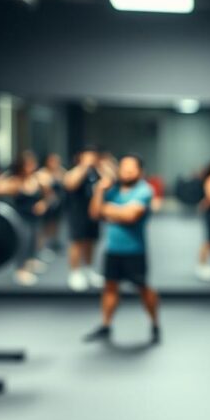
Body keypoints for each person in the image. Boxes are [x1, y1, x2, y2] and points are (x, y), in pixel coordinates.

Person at [83, 154, 161, 345]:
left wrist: (108, 210)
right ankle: (106, 325)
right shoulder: (112, 190)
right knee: (110, 287)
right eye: (124, 168)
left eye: (131, 168)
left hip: (135, 251)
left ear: (140, 171)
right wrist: (100, 191)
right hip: (113, 250)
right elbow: (94, 213)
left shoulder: (145, 190)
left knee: (143, 288)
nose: (126, 172)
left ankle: (155, 324)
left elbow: (130, 216)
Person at [0, 151, 53, 286]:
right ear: (22, 166)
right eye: (29, 164)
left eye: (33, 163)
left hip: (34, 217)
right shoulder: (15, 182)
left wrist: (43, 204)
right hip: (21, 217)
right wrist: (6, 173)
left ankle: (30, 262)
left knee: (34, 240)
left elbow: (50, 196)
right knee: (24, 241)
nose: (32, 166)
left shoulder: (38, 179)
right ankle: (20, 271)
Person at [63, 146, 112, 292]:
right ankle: (75, 273)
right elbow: (70, 184)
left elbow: (111, 181)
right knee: (77, 242)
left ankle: (89, 270)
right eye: (88, 156)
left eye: (93, 156)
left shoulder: (97, 171)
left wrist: (104, 165)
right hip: (77, 212)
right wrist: (84, 166)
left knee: (91, 241)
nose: (91, 159)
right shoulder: (75, 171)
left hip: (93, 212)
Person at [38, 153, 67, 258]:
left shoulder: (60, 171)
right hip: (47, 203)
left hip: (57, 203)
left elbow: (66, 182)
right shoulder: (43, 173)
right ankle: (42, 247)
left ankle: (54, 242)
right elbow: (47, 191)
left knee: (55, 224)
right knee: (45, 226)